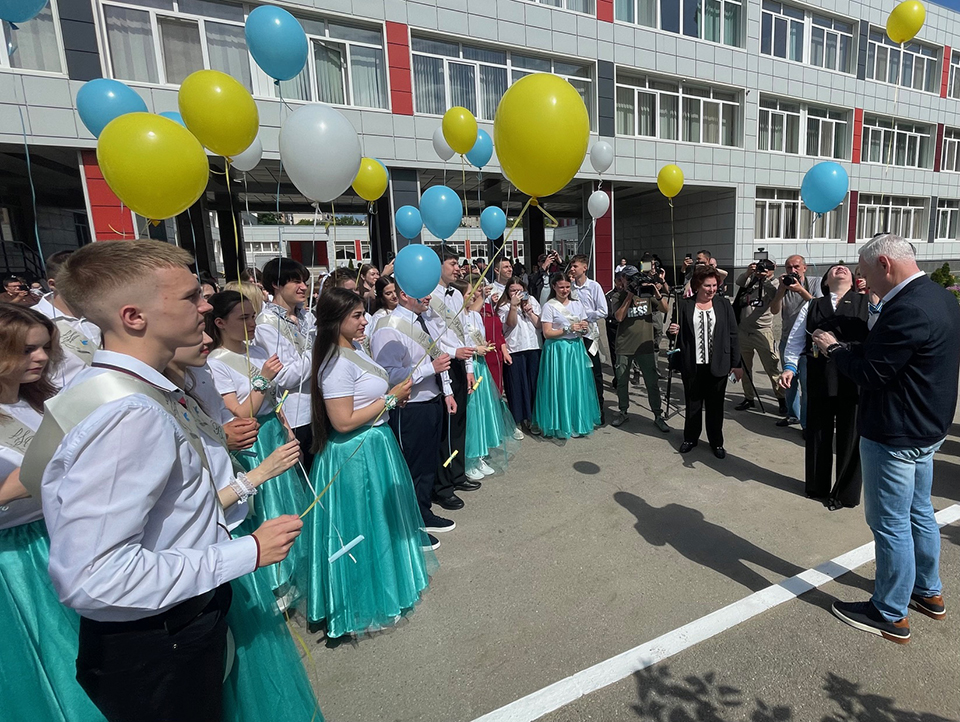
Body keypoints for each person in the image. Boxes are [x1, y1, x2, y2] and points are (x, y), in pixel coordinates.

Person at [28, 240, 302, 722]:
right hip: (160, 640)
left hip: (171, 625)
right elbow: (95, 577)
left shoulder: (129, 388)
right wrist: (248, 552)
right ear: (134, 316)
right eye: (191, 297)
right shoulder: (128, 411)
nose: (205, 307)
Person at [163, 334, 321, 722]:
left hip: (231, 524)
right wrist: (258, 475)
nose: (204, 338)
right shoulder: (144, 409)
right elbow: (181, 512)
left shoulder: (193, 380)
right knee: (236, 667)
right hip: (212, 544)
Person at [813, 234, 960, 644]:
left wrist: (834, 349)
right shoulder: (938, 296)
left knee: (891, 523)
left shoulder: (907, 308)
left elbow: (873, 372)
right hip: (927, 428)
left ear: (884, 265)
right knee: (919, 513)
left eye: (864, 273)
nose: (863, 282)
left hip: (896, 431)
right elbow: (894, 355)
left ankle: (889, 612)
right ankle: (928, 592)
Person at [308, 287, 437, 638]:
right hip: (355, 454)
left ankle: (387, 586)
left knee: (381, 520)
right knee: (362, 525)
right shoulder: (334, 362)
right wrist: (390, 401)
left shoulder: (355, 349)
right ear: (335, 321)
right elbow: (343, 421)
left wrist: (390, 400)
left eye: (364, 314)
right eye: (357, 316)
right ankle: (361, 600)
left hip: (373, 446)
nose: (365, 320)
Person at [0, 304, 106, 722]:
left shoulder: (42, 400)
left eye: (44, 348)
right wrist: (16, 486)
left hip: (63, 533)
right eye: (26, 350)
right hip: (17, 558)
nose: (41, 358)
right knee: (48, 658)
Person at [206, 291, 311, 598]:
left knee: (288, 500)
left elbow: (275, 400)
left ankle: (296, 569)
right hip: (251, 441)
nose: (252, 323)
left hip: (274, 432)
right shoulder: (217, 361)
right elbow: (241, 412)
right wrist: (263, 379)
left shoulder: (259, 348)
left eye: (252, 316)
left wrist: (287, 428)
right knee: (265, 504)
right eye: (243, 318)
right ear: (221, 323)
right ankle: (275, 581)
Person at [370, 285, 457, 549]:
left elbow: (439, 356)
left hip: (431, 401)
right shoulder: (389, 327)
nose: (429, 296)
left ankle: (422, 512)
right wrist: (428, 369)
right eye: (421, 291)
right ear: (404, 294)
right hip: (409, 407)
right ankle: (407, 524)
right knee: (410, 468)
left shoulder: (423, 321)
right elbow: (387, 374)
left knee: (428, 464)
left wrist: (447, 391)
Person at [780, 264, 868, 510]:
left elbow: (876, 340)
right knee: (818, 431)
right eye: (834, 269)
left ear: (853, 280)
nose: (840, 269)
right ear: (826, 281)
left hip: (853, 376)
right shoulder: (813, 305)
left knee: (851, 434)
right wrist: (790, 367)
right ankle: (817, 486)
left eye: (845, 269)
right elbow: (796, 340)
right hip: (820, 376)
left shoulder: (867, 303)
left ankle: (846, 493)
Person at [423, 246, 477, 510]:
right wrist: (454, 353)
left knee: (458, 425)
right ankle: (442, 486)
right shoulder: (426, 295)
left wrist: (468, 367)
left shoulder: (456, 293)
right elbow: (430, 338)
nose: (458, 268)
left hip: (459, 363)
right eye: (453, 263)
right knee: (445, 428)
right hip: (441, 363)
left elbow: (463, 331)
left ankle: (457, 473)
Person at [668, 267, 742, 458]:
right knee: (692, 404)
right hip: (692, 364)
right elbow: (675, 334)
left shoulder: (723, 304)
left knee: (715, 406)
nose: (711, 289)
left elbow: (733, 334)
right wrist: (673, 330)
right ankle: (690, 438)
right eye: (707, 285)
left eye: (714, 285)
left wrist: (737, 364)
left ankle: (716, 442)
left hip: (719, 364)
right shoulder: (684, 304)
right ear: (697, 286)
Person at [255, 258, 316, 468]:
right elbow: (286, 376)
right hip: (294, 415)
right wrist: (317, 350)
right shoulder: (266, 324)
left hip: (318, 410)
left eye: (305, 282)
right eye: (296, 281)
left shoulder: (307, 317)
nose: (303, 287)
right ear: (276, 284)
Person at [456, 280, 519, 479]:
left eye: (473, 293)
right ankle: (468, 458)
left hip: (480, 365)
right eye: (468, 294)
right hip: (469, 366)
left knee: (482, 411)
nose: (473, 296)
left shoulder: (475, 316)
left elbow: (480, 339)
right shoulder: (455, 319)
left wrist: (483, 346)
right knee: (472, 412)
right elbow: (458, 344)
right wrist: (476, 349)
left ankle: (480, 453)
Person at [533, 273, 601, 439]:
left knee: (575, 385)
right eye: (561, 287)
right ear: (554, 287)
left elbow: (585, 327)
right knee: (559, 385)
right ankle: (559, 423)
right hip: (558, 350)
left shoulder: (577, 305)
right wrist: (567, 329)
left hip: (575, 349)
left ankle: (575, 422)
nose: (564, 290)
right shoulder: (549, 306)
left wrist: (584, 327)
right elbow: (547, 333)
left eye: (567, 287)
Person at [608, 266, 670, 432]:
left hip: (645, 345)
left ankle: (658, 414)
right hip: (624, 346)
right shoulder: (617, 296)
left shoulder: (647, 294)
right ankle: (623, 411)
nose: (632, 281)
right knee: (622, 381)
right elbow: (619, 317)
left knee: (652, 383)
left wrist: (655, 291)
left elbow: (665, 309)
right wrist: (629, 295)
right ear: (623, 280)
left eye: (635, 278)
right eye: (629, 279)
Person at [33, 250, 102, 387]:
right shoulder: (31, 321)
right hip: (60, 404)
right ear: (53, 284)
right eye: (78, 282)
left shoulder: (101, 313)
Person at [769, 255, 822, 428]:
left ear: (804, 267)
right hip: (786, 340)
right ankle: (792, 415)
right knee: (789, 383)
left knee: (806, 386)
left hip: (809, 343)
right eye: (789, 267)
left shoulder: (815, 283)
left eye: (796, 267)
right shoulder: (783, 286)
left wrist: (800, 290)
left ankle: (806, 424)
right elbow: (774, 310)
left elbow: (819, 307)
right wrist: (781, 291)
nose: (793, 271)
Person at [733, 259, 786, 414]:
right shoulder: (752, 280)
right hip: (743, 331)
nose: (762, 270)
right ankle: (749, 398)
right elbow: (739, 282)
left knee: (771, 368)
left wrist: (766, 278)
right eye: (760, 268)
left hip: (762, 332)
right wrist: (749, 272)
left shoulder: (775, 283)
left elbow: (775, 295)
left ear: (773, 269)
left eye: (766, 268)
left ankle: (781, 399)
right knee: (745, 368)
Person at [496, 277, 541, 434]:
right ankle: (516, 420)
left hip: (533, 346)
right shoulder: (503, 305)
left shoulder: (532, 300)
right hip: (515, 348)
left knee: (533, 383)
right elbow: (511, 323)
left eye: (519, 290)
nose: (517, 293)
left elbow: (539, 324)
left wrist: (530, 312)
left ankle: (532, 417)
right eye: (513, 290)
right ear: (508, 292)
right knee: (516, 385)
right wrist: (513, 307)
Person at [568, 254, 609, 424]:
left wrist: (586, 315)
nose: (572, 269)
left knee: (594, 372)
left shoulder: (594, 286)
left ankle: (598, 408)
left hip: (590, 335)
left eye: (575, 266)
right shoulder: (569, 287)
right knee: (577, 373)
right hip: (573, 335)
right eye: (571, 266)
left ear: (584, 268)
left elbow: (603, 311)